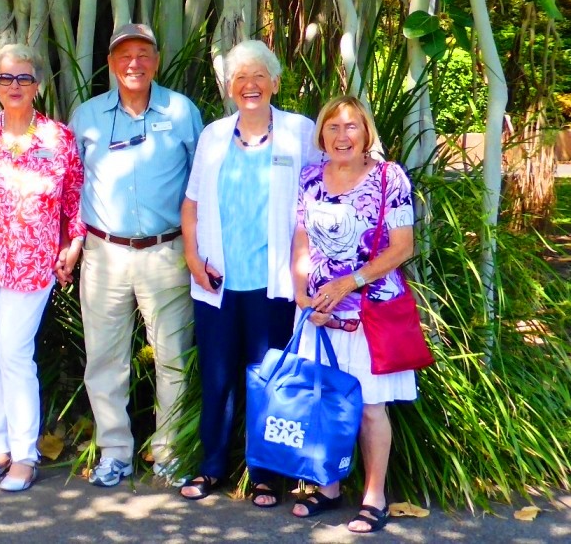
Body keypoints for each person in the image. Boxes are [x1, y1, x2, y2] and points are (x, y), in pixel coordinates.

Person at [178, 40, 321, 504]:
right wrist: (193, 260)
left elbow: (323, 195)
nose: (250, 85)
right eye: (241, 78)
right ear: (230, 88)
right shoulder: (214, 136)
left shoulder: (299, 132)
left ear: (275, 83)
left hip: (275, 283)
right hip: (217, 282)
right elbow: (192, 203)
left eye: (259, 76)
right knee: (217, 379)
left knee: (267, 378)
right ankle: (211, 467)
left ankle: (264, 474)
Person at [0, 44, 85, 492]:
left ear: (38, 85)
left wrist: (74, 242)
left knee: (15, 351)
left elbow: (74, 200)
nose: (15, 86)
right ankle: (0, 446)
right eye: (6, 78)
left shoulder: (58, 138)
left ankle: (25, 454)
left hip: (31, 265)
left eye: (24, 78)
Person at [69, 23, 202, 488]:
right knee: (104, 358)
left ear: (157, 60)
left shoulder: (181, 111)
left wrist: (198, 248)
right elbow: (72, 186)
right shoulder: (86, 115)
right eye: (124, 54)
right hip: (103, 253)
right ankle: (115, 451)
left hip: (166, 252)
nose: (134, 63)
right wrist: (73, 244)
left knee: (173, 356)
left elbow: (201, 183)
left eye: (144, 53)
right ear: (110, 63)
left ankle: (170, 451)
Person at [290, 95, 416, 534]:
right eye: (333, 128)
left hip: (369, 313)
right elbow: (302, 241)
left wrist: (349, 282)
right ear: (321, 135)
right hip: (320, 312)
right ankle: (328, 487)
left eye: (351, 127)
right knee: (323, 400)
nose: (342, 136)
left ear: (366, 134)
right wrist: (302, 293)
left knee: (368, 407)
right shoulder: (310, 177)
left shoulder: (388, 177)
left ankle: (374, 495)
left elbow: (403, 247)